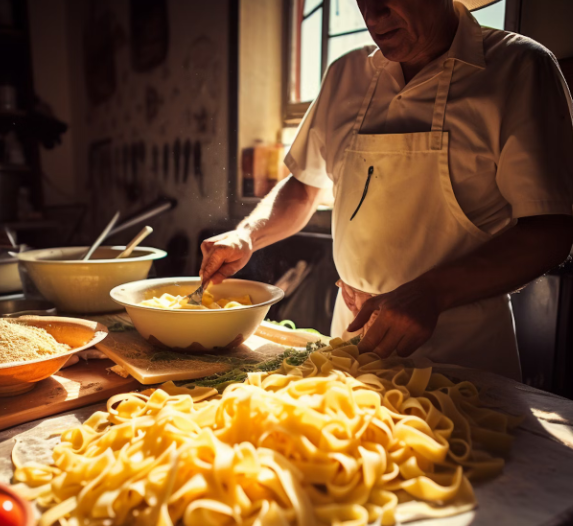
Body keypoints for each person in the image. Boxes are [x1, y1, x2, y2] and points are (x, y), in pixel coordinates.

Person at [200, 0, 573, 381]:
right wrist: (247, 234)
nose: (373, 15)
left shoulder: (519, 68)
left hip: (460, 351)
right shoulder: (346, 73)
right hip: (350, 334)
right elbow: (305, 185)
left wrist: (433, 292)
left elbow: (550, 231)